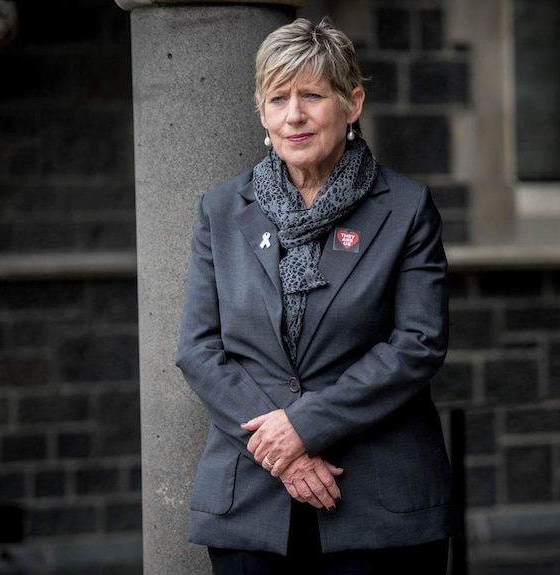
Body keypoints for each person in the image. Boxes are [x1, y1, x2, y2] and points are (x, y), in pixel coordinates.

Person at [175, 16, 459, 575]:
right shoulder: (221, 211)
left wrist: (304, 427)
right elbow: (199, 350)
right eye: (278, 98)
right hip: (251, 501)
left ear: (352, 103)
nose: (294, 115)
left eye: (312, 95)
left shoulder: (405, 208)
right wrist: (283, 450)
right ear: (261, 112)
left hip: (379, 500)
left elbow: (417, 344)